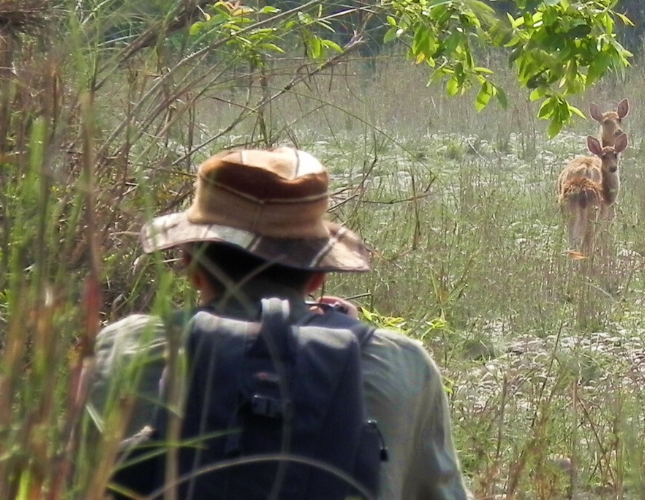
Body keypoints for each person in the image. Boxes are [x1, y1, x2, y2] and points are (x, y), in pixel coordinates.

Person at [86, 147, 473, 500]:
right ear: (318, 276)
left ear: (189, 264)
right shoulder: (402, 363)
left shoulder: (126, 348)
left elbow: (75, 481)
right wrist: (350, 343)